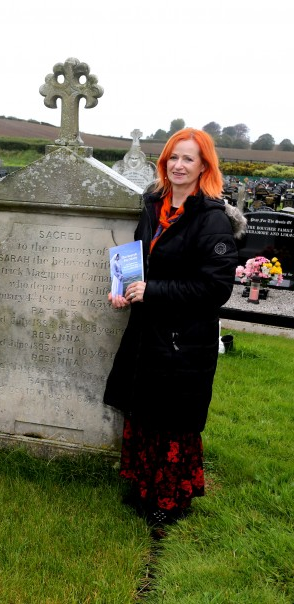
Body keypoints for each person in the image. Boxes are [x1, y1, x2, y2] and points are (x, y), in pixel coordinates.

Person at [103, 128, 245, 533]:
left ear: (204, 167)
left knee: (173, 418)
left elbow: (215, 287)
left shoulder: (212, 218)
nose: (178, 166)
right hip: (147, 327)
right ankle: (142, 484)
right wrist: (123, 289)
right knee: (145, 407)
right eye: (172, 158)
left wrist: (153, 290)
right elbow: (137, 256)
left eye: (188, 159)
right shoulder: (154, 204)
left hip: (184, 336)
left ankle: (169, 500)